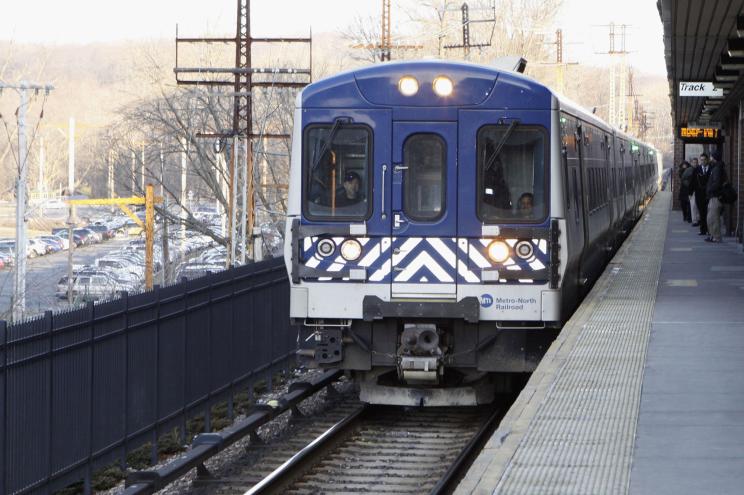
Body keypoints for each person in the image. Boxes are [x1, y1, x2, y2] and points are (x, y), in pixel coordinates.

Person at [705, 150, 727, 243]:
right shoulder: (715, 167)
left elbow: (717, 183)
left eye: (711, 157)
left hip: (715, 197)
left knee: (714, 218)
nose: (710, 158)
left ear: (714, 158)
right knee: (710, 218)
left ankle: (716, 237)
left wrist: (709, 189)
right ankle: (712, 235)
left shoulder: (717, 169)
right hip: (712, 197)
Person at [692, 153, 712, 236]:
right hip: (699, 195)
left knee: (709, 213)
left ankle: (709, 230)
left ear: (707, 160)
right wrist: (691, 192)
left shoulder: (711, 169)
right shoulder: (697, 169)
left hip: (708, 194)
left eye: (704, 160)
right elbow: (693, 181)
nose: (702, 161)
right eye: (701, 160)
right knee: (702, 213)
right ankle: (703, 230)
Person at [689, 157, 700, 225]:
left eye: (696, 162)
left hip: (698, 191)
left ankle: (698, 219)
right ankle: (694, 220)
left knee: (697, 206)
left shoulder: (698, 170)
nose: (695, 164)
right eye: (694, 162)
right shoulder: (689, 170)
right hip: (692, 191)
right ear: (691, 163)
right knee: (693, 206)